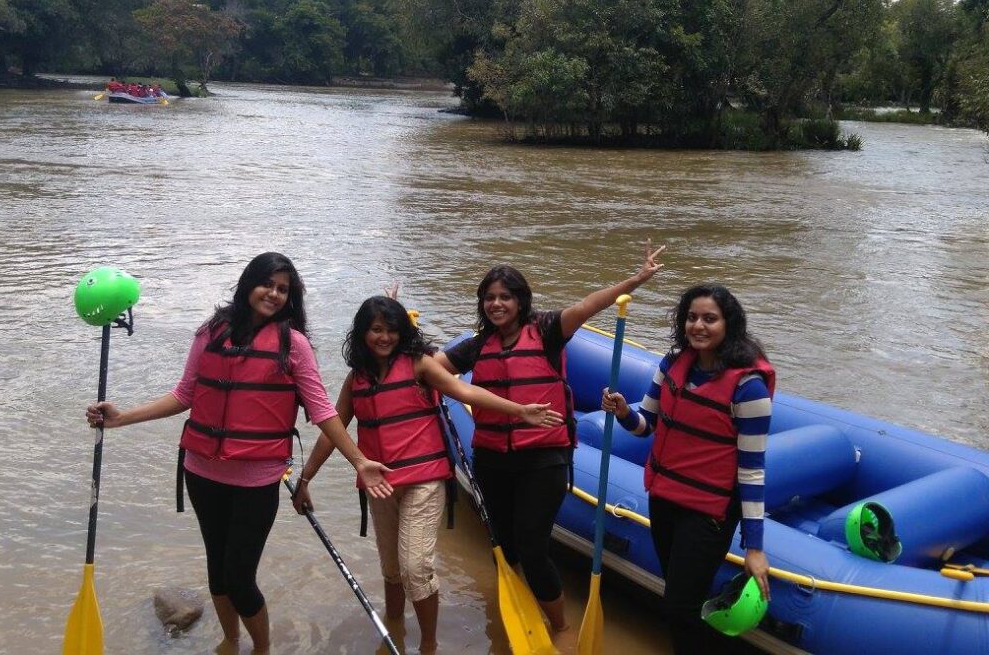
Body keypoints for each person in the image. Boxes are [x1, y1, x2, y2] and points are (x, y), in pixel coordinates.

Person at [85, 252, 392, 655]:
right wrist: (121, 418)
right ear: (249, 283)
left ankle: (261, 648)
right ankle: (230, 641)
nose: (274, 294)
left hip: (257, 480)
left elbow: (322, 411)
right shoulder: (211, 331)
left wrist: (360, 461)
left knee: (239, 576)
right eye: (268, 284)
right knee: (217, 572)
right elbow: (184, 395)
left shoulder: (293, 344)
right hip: (201, 472)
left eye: (284, 289)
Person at [293, 295, 563, 654]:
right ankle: (394, 632)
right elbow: (334, 430)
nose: (384, 337)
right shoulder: (356, 379)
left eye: (391, 330)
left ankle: (429, 647)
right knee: (391, 568)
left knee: (415, 568)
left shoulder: (419, 365)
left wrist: (519, 411)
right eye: (376, 330)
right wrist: (306, 479)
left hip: (424, 480)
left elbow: (463, 389)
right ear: (362, 334)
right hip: (380, 485)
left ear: (402, 332)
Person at [431, 241, 666, 638]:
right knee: (504, 545)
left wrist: (635, 280)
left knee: (532, 544)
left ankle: (560, 626)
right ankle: (514, 606)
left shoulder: (546, 330)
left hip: (544, 458)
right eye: (489, 298)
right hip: (492, 458)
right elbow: (432, 369)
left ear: (521, 301)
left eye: (505, 296)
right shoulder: (477, 346)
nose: (496, 304)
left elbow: (589, 305)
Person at [601, 283, 774, 654]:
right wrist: (623, 412)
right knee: (679, 599)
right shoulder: (673, 364)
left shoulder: (749, 388)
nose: (699, 325)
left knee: (679, 605)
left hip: (708, 513)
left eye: (710, 319)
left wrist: (754, 547)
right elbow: (646, 425)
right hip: (664, 498)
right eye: (692, 317)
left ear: (729, 325)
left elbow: (753, 471)